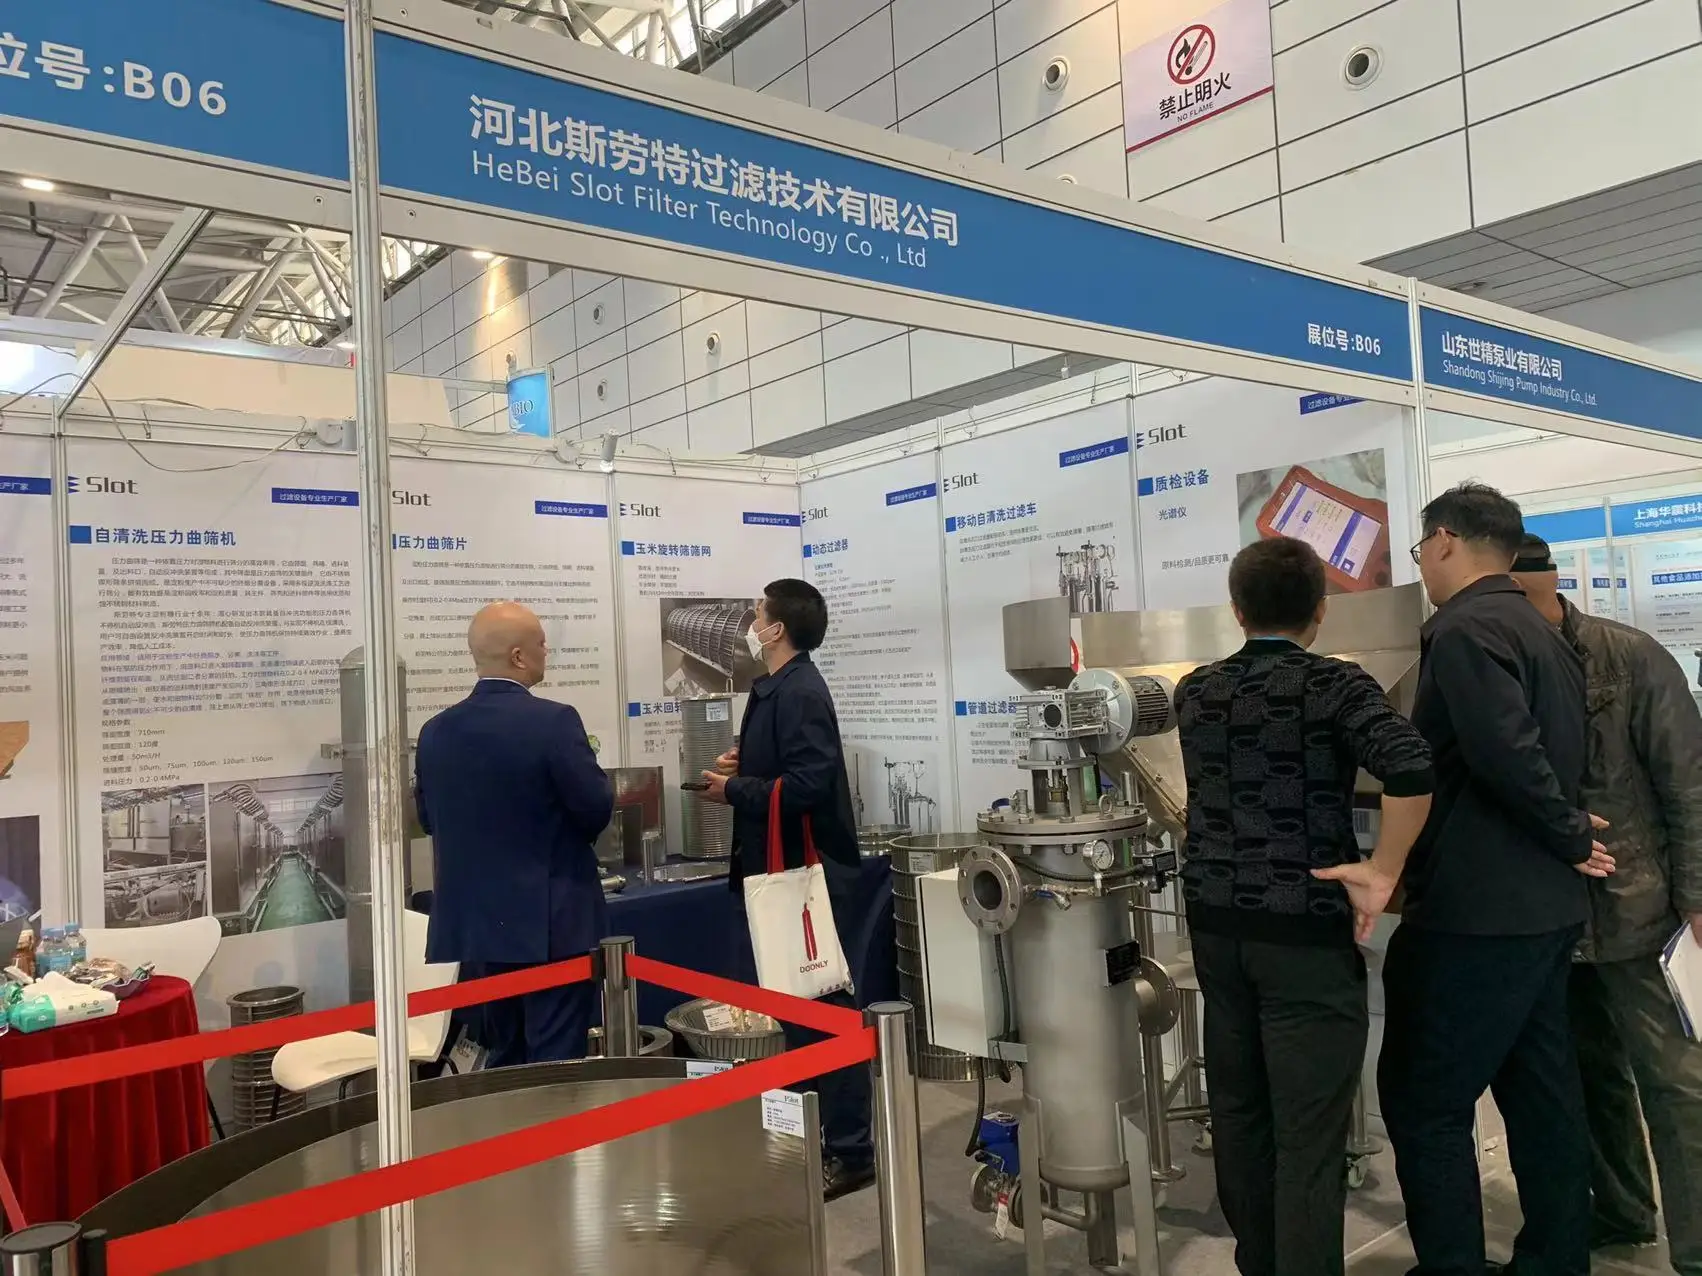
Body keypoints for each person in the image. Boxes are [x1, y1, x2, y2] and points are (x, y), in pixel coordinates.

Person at [1175, 536, 1434, 1276]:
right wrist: (1382, 873)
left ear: (1237, 610)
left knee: (1240, 1113)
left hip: (1216, 926)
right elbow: (1411, 765)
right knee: (1309, 1133)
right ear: (1321, 611)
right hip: (1303, 933)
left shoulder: (1196, 690)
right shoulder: (1335, 684)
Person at [1385, 483, 1614, 1276]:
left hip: (1476, 913)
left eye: (1421, 549)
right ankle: (1556, 1258)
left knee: (1425, 1100)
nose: (1422, 565)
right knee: (1541, 1092)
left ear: (1445, 541)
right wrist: (1566, 832)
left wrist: (1568, 830)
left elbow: (1504, 752)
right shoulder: (1541, 630)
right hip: (1543, 908)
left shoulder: (1463, 629)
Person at [1510, 533, 1702, 1275]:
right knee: (1588, 1078)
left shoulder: (1630, 656)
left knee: (1677, 1084)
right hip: (1551, 918)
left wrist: (1696, 896)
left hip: (1639, 910)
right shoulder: (1500, 661)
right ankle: (1621, 1211)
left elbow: (1688, 781)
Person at [693, 579, 873, 1200]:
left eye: (757, 613)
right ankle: (814, 1138)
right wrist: (746, 766)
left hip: (806, 879)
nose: (749, 621)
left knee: (823, 1010)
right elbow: (789, 769)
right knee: (799, 1013)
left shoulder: (800, 691)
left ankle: (852, 1149)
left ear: (777, 629)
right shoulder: (777, 687)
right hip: (784, 872)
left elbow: (809, 783)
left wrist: (734, 791)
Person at [414, 600, 612, 1067]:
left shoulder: (434, 732)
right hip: (551, 925)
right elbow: (595, 808)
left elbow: (428, 819)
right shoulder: (554, 721)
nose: (546, 652)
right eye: (541, 643)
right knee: (556, 1060)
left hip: (480, 930)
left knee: (504, 1057)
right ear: (519, 656)